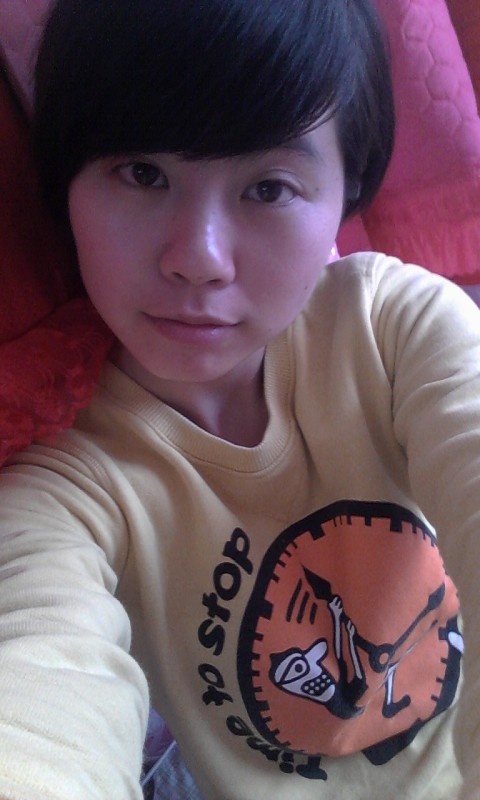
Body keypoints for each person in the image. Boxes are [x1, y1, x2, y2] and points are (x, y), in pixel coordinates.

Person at [0, 0, 479, 798]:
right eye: (143, 173)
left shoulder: (395, 327)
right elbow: (37, 695)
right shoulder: (64, 479)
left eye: (268, 187)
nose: (199, 260)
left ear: (347, 191)